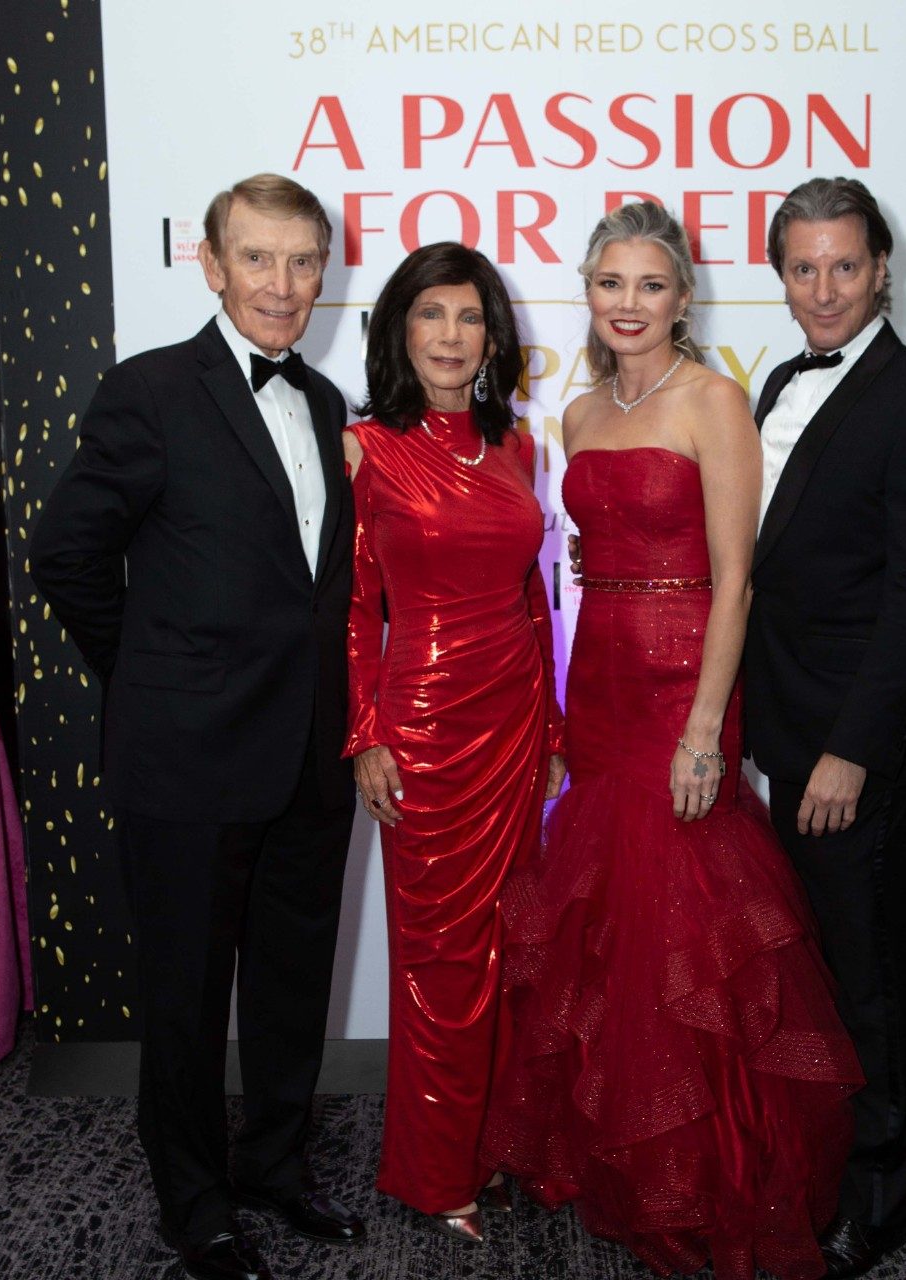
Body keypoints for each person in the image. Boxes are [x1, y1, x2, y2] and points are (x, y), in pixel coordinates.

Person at [482, 202, 864, 1280]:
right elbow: (576, 571)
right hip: (599, 675)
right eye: (612, 284)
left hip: (684, 681)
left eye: (652, 285)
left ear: (683, 296)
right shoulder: (582, 409)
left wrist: (706, 728)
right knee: (607, 911)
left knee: (683, 908)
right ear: (589, 294)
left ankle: (708, 1165)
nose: (631, 304)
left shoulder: (714, 401)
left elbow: (739, 578)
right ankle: (615, 1149)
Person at [30, 174, 364, 1280]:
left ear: (325, 270)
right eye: (257, 258)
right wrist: (147, 679)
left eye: (302, 260)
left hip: (309, 754)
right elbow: (65, 554)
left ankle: (274, 1165)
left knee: (289, 985)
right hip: (186, 757)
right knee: (184, 998)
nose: (282, 283)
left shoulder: (323, 402)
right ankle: (197, 1207)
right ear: (211, 264)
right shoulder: (151, 390)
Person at [745, 177, 906, 1277]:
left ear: (882, 267)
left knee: (866, 971)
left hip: (848, 750)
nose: (824, 288)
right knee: (803, 970)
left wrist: (849, 749)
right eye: (804, 267)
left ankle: (880, 1193)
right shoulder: (782, 382)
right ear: (781, 274)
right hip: (772, 729)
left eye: (845, 265)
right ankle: (817, 1150)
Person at [343, 242, 566, 1244]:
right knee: (440, 960)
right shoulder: (366, 448)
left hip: (515, 721)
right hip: (424, 728)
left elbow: (532, 595)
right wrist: (364, 733)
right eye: (430, 314)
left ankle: (497, 1146)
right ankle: (434, 1172)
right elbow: (354, 607)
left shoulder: (519, 447)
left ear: (491, 336)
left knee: (512, 946)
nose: (448, 335)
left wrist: (555, 723)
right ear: (399, 329)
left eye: (468, 317)